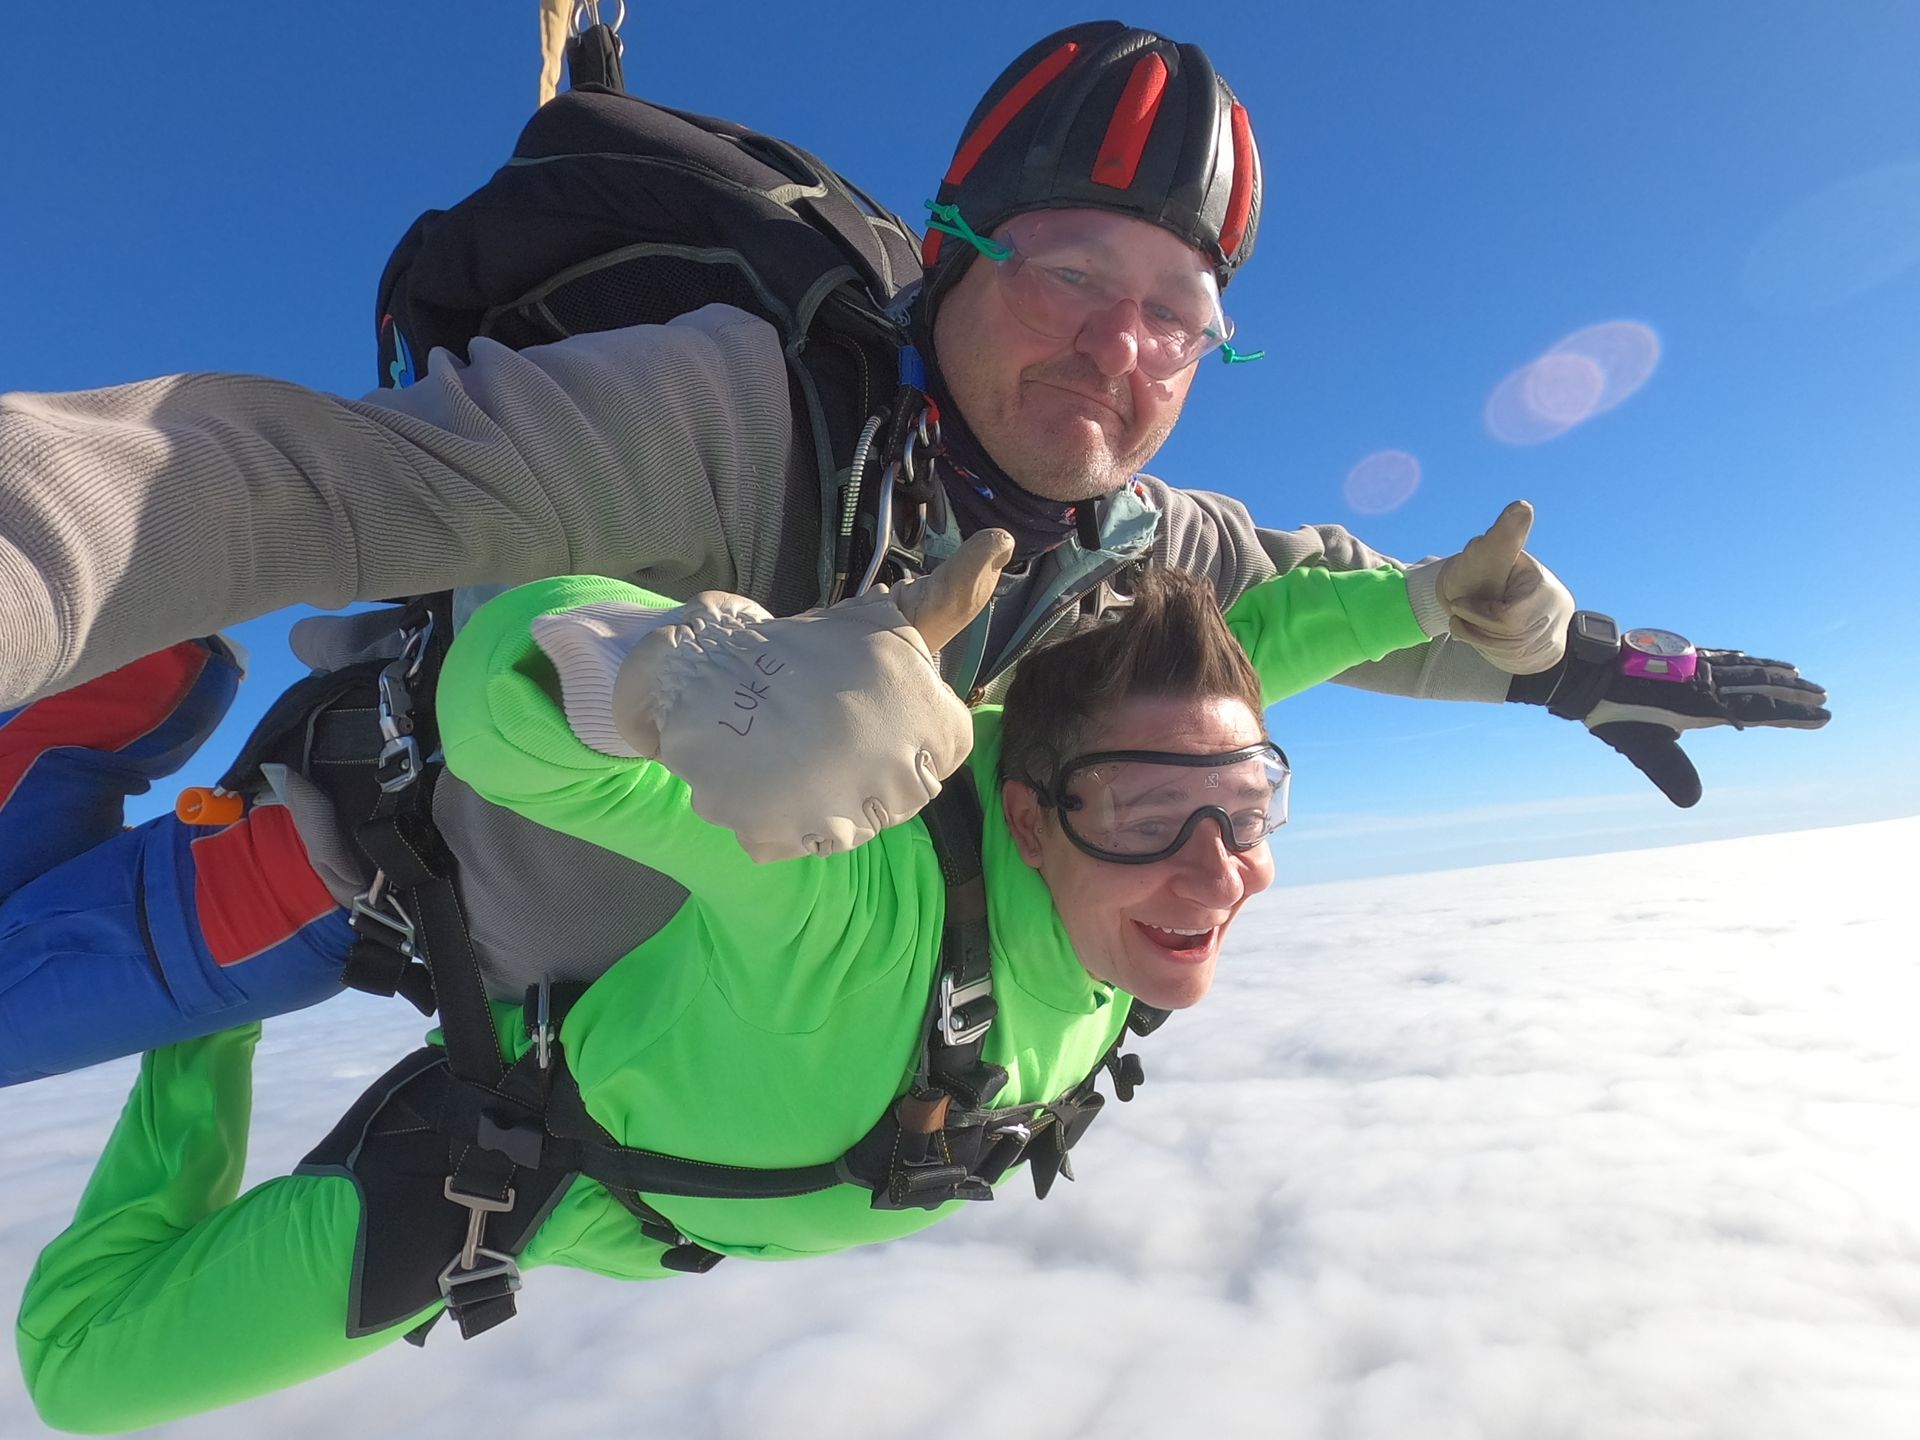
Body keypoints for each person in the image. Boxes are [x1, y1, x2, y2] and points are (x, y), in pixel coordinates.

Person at [0, 21, 1828, 1086]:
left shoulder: (1142, 548)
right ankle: (94, 712)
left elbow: (1362, 603)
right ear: (952, 255)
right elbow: (290, 481)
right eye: (1071, 270)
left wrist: (1587, 665)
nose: (1120, 346)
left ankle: (98, 725)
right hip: (343, 884)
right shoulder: (729, 411)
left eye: (1179, 314)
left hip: (595, 1003)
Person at [19, 503, 1507, 1432]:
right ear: (1031, 817)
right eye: (1145, 817)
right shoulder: (844, 893)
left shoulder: (1125, 853)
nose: (1217, 868)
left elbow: (1245, 660)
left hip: (666, 1185)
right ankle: (130, 818)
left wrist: (1427, 602)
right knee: (89, 1370)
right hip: (516, 1180)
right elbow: (511, 719)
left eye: (1249, 808)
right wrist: (682, 678)